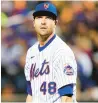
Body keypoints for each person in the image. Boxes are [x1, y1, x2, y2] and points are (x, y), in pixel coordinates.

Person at [24, 1, 77, 103]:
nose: (43, 22)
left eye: (48, 17)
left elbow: (67, 98)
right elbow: (30, 95)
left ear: (55, 23)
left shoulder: (62, 51)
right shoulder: (31, 52)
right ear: (34, 22)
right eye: (39, 17)